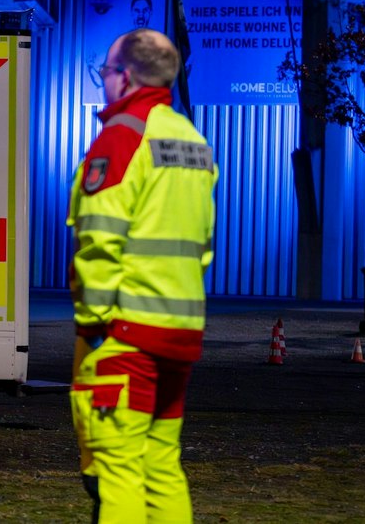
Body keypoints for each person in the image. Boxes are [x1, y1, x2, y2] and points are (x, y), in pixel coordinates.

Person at [68, 28, 217, 524]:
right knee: (162, 467)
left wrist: (93, 325)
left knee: (120, 473)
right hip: (179, 334)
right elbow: (203, 245)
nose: (104, 82)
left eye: (105, 72)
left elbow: (100, 240)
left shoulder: (123, 135)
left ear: (125, 77)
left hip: (125, 335)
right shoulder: (192, 141)